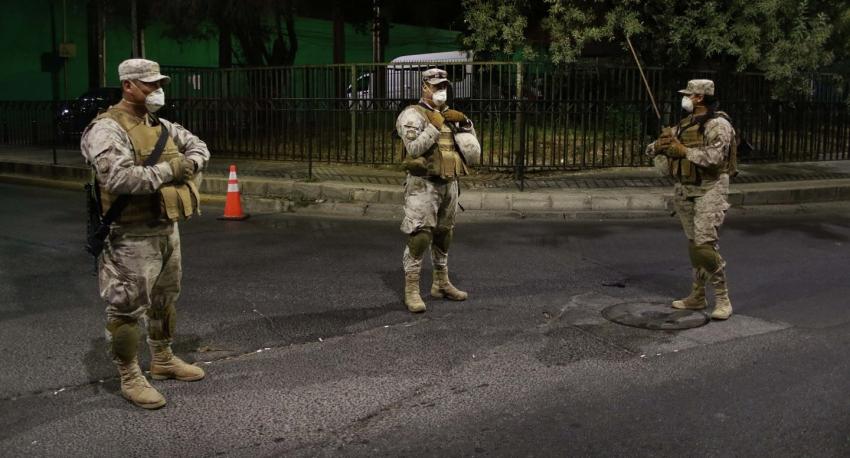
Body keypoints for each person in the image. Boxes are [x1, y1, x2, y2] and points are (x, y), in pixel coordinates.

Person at [80, 58, 210, 409]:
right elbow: (118, 179)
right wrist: (172, 168)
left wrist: (190, 163)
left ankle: (163, 359)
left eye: (158, 83)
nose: (157, 90)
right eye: (149, 84)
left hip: (166, 228)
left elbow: (199, 147)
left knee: (165, 299)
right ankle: (130, 376)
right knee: (125, 310)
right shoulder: (106, 129)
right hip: (128, 235)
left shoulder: (161, 125)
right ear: (128, 85)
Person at [646, 79, 737, 320]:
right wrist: (658, 146)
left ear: (698, 98)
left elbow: (716, 158)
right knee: (693, 244)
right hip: (685, 190)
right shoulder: (685, 125)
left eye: (688, 94)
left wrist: (684, 151)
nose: (684, 98)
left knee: (704, 246)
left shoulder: (719, 125)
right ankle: (697, 296)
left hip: (710, 188)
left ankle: (722, 297)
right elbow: (655, 148)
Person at [395, 68, 481, 313]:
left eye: (444, 86)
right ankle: (411, 289)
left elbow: (471, 149)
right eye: (436, 86)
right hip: (424, 185)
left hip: (450, 183)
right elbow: (413, 149)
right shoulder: (412, 114)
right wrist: (434, 125)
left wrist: (465, 124)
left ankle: (441, 283)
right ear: (424, 87)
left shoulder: (450, 115)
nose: (441, 91)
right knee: (421, 234)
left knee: (445, 234)